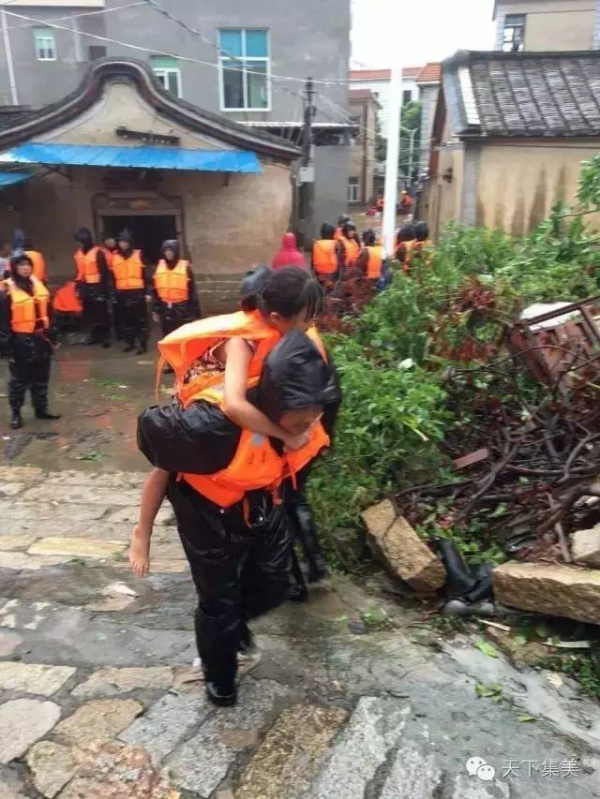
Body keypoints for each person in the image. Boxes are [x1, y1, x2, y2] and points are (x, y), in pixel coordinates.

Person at [134, 329, 334, 707]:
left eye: (316, 414)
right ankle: (220, 679)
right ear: (275, 408)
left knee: (275, 584)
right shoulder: (211, 425)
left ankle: (228, 628)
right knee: (218, 601)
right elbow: (161, 468)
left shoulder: (307, 417)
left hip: (261, 502)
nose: (309, 425)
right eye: (301, 419)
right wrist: (142, 534)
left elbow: (295, 460)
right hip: (205, 512)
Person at [0, 253, 60, 429]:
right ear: (14, 268)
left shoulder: (39, 286)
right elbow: (3, 322)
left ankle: (41, 409)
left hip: (41, 338)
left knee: (41, 377)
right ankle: (16, 413)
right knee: (19, 380)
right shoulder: (7, 291)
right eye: (21, 265)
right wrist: (6, 346)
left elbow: (49, 313)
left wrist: (53, 334)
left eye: (28, 265)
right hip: (20, 340)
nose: (26, 268)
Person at [111, 230, 151, 354]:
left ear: (130, 242)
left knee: (140, 320)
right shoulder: (115, 257)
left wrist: (147, 292)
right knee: (126, 320)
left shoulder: (139, 255)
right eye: (121, 241)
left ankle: (142, 345)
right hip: (121, 292)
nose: (123, 244)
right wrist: (113, 293)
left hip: (137, 292)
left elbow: (146, 275)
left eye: (125, 241)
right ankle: (130, 343)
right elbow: (111, 277)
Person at [152, 239, 200, 338]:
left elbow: (192, 290)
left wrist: (195, 311)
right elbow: (156, 291)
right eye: (166, 251)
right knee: (168, 336)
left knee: (183, 336)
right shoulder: (159, 267)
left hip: (182, 308)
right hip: (165, 307)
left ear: (176, 252)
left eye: (171, 251)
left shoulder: (185, 267)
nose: (169, 253)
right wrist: (155, 310)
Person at [73, 228, 111, 348]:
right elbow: (79, 272)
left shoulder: (98, 252)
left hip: (97, 286)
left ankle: (105, 337)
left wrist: (104, 290)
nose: (81, 243)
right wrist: (78, 287)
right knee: (90, 314)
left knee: (101, 314)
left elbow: (104, 272)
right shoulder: (79, 253)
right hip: (85, 286)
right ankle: (94, 336)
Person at [311, 223, 338, 288]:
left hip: (320, 277)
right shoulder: (336, 244)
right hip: (333, 277)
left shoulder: (316, 245)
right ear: (332, 233)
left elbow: (312, 264)